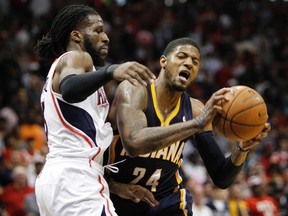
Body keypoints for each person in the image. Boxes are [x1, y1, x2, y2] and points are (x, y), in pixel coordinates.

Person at [106, 37, 271, 216]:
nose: (189, 63)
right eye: (182, 56)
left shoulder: (195, 109)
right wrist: (196, 124)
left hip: (166, 201)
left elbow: (221, 177)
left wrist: (242, 149)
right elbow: (134, 143)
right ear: (163, 61)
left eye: (195, 61)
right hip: (116, 198)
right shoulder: (135, 89)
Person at [34, 4, 157, 216]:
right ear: (76, 36)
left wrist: (116, 187)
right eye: (98, 30)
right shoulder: (76, 58)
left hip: (62, 179)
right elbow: (70, 88)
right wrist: (112, 70)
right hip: (75, 179)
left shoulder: (84, 75)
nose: (106, 37)